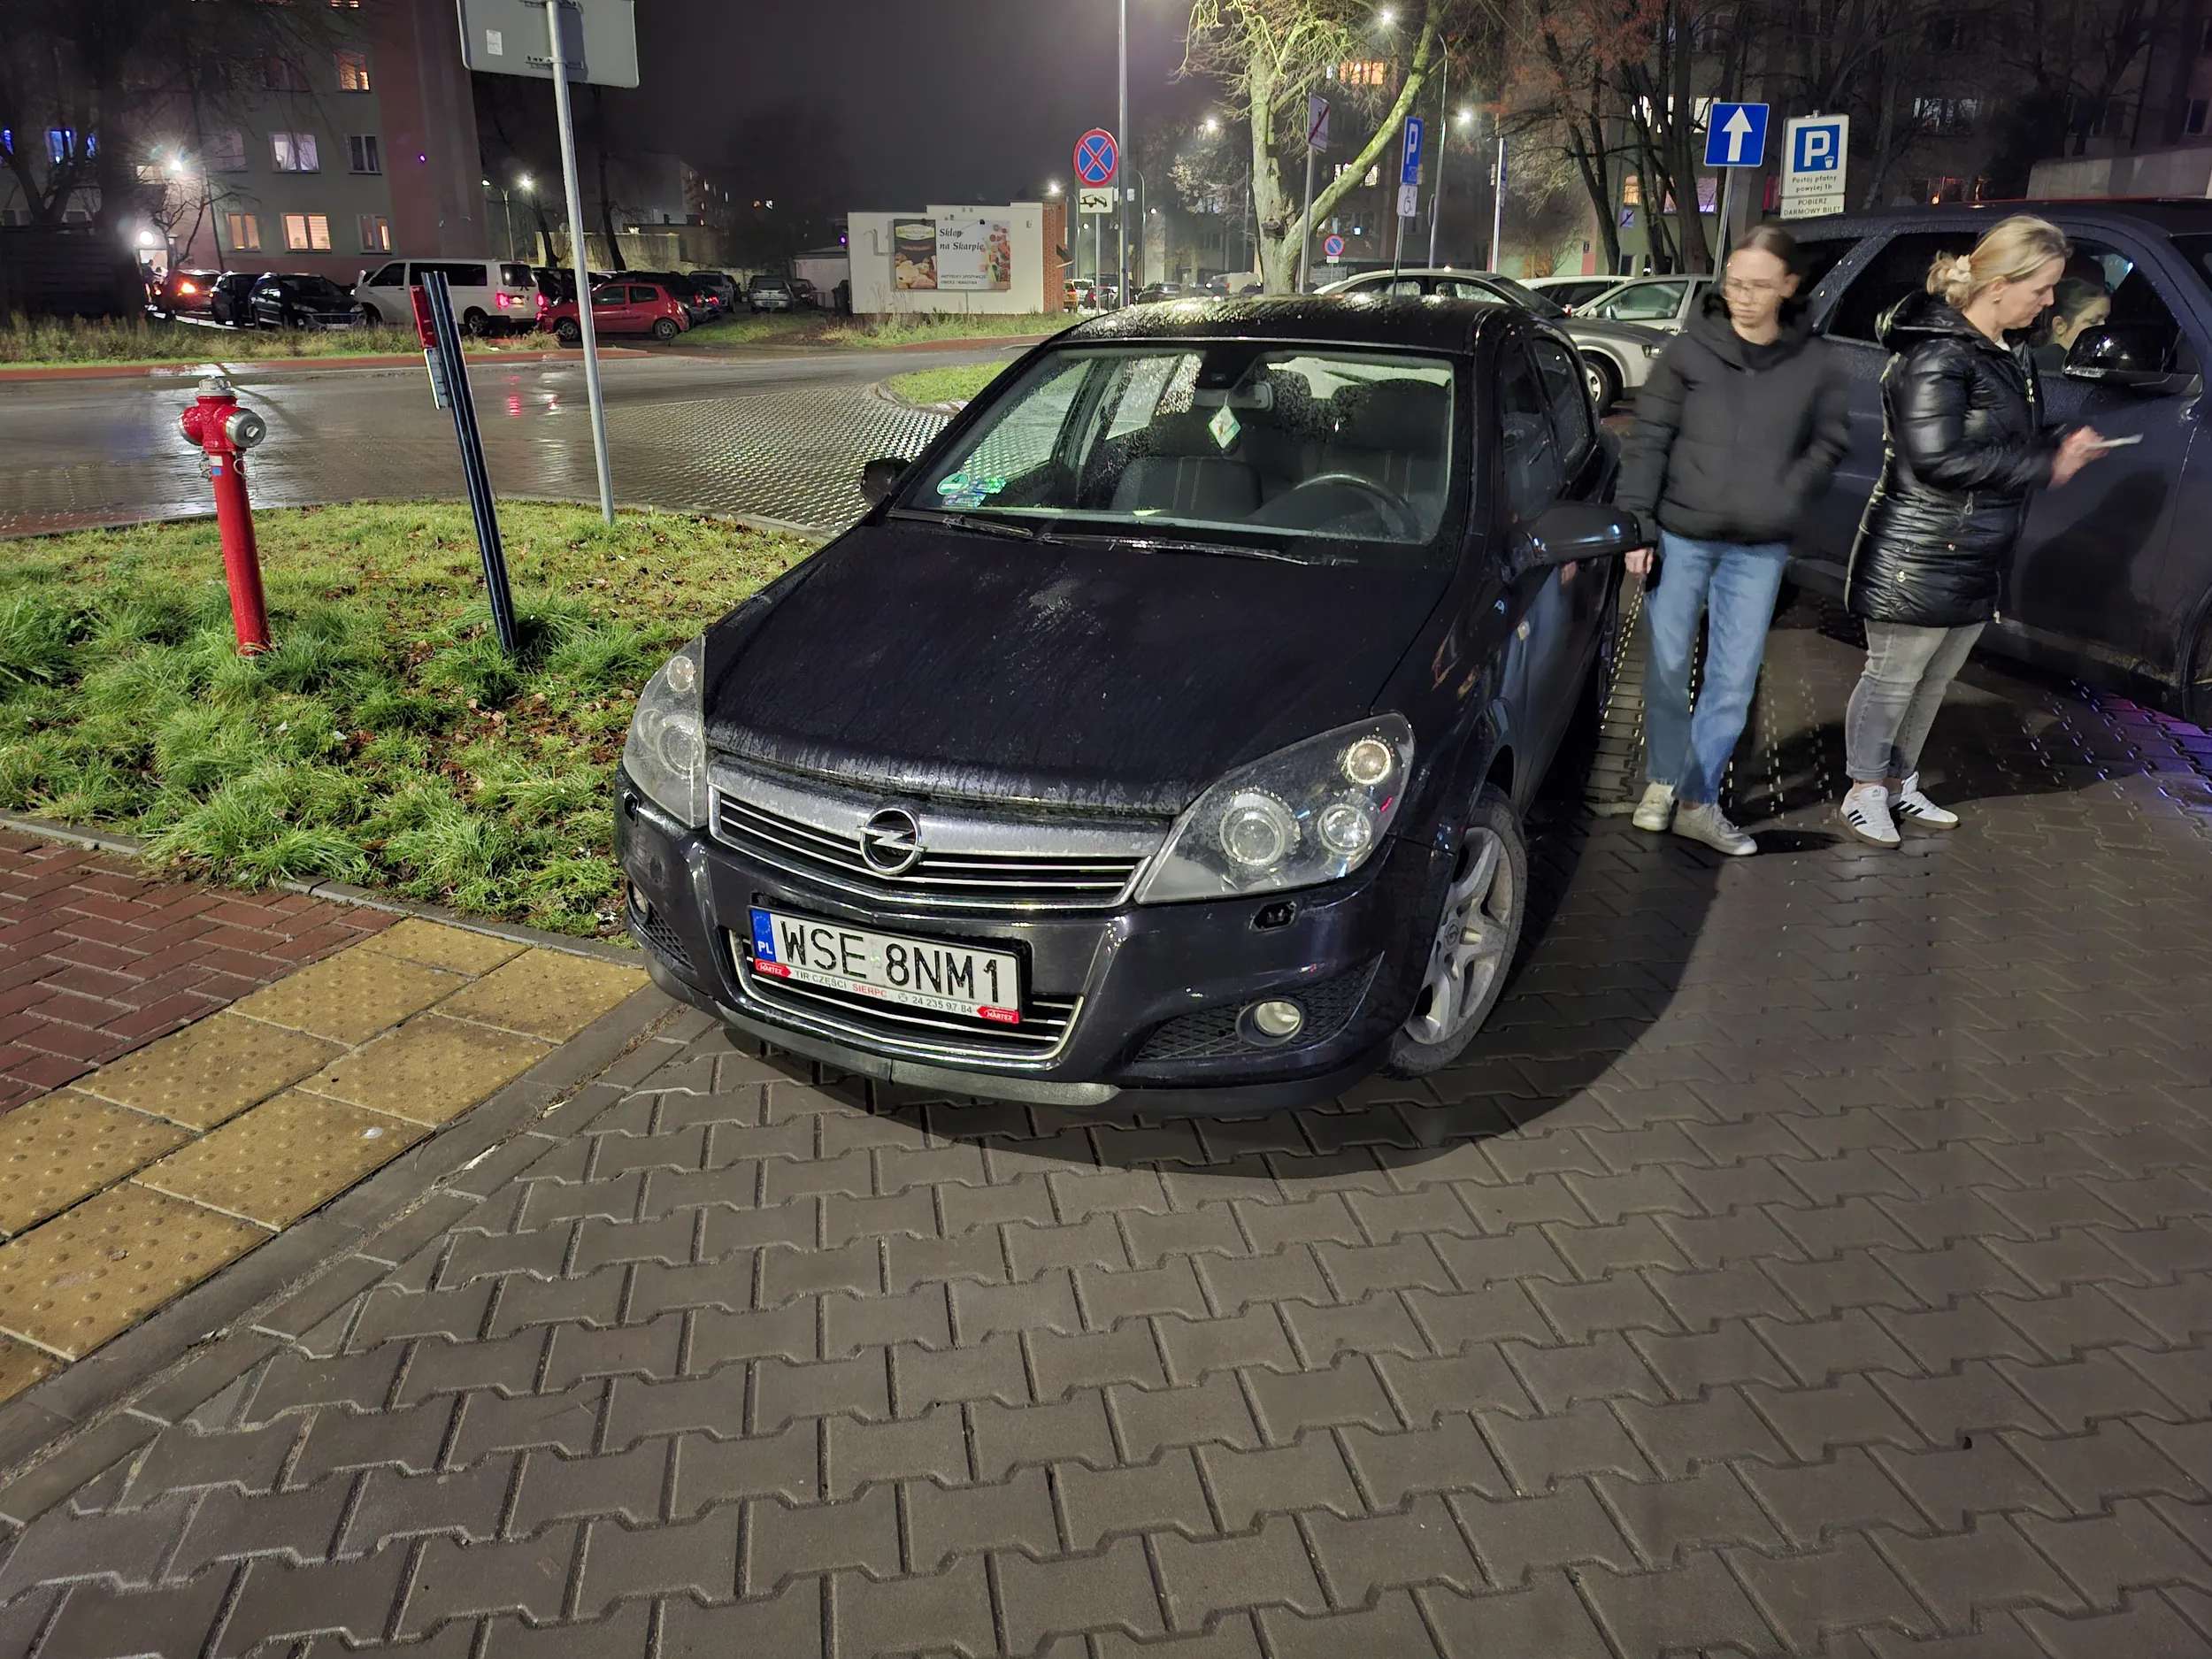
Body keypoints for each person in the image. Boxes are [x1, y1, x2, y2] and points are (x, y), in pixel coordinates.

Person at [1839, 214, 2106, 847]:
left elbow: (1997, 438)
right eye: (2040, 288)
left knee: (1932, 681)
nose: (2048, 303)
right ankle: (1863, 790)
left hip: (1975, 547)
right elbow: (1938, 458)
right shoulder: (1937, 352)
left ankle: (1899, 783)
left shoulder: (2007, 352)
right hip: (1920, 547)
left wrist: (2057, 443)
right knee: (1893, 676)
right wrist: (2046, 464)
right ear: (1998, 285)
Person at [1616, 224, 1851, 856]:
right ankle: (1662, 781)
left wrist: (1787, 490)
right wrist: (1637, 524)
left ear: (1788, 287)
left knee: (1732, 679)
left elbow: (1831, 441)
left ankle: (1697, 799)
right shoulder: (1688, 354)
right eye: (1734, 284)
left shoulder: (1815, 362)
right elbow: (1648, 440)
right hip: (1681, 536)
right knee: (1667, 671)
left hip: (1758, 549)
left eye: (1757, 286)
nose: (1743, 297)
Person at [2030, 274, 2111, 371]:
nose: (2103, 328)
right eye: (2093, 322)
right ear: (2060, 326)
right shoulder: (2049, 369)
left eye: (2106, 320)